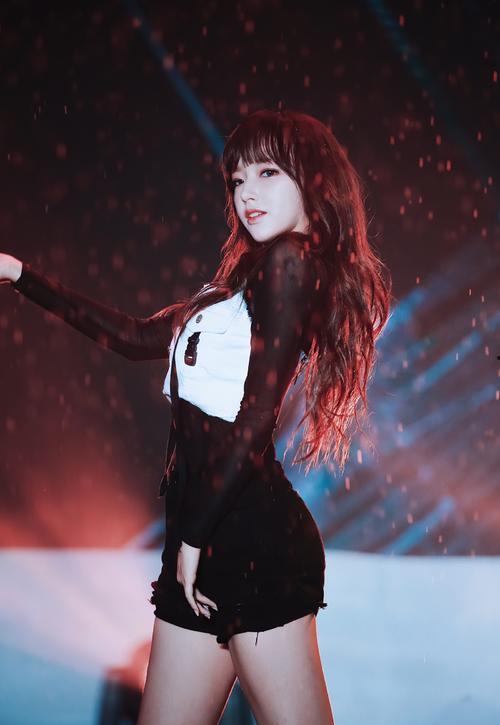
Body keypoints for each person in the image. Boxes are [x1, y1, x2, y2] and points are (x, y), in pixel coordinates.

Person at [1, 108, 391, 724]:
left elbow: (255, 420)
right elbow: (133, 336)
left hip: (249, 541)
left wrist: (191, 538)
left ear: (312, 180)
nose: (247, 193)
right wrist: (20, 275)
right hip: (203, 541)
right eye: (237, 180)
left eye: (267, 173)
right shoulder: (239, 285)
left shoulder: (291, 263)